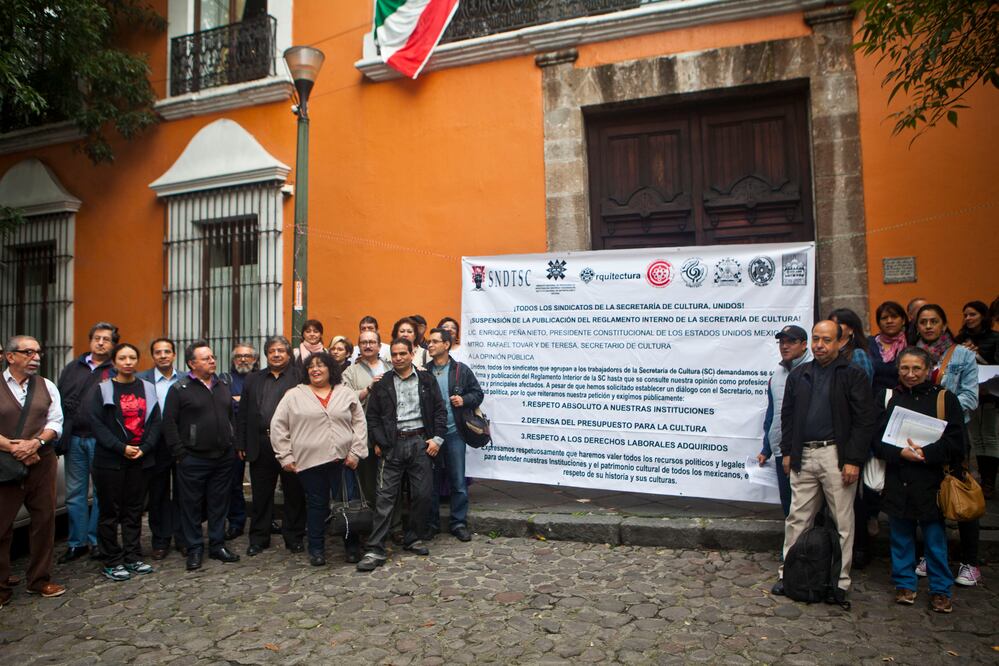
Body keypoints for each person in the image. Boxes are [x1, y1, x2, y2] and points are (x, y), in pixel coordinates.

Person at [771, 320, 875, 606]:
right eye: (816, 339)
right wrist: (788, 451)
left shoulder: (852, 374)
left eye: (826, 340)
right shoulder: (800, 374)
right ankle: (789, 575)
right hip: (804, 454)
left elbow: (864, 420)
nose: (819, 345)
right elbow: (787, 416)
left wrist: (853, 460)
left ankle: (839, 582)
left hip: (836, 456)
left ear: (839, 343)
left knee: (842, 521)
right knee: (797, 519)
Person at [874, 347, 964, 613]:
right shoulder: (892, 398)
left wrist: (926, 454)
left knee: (935, 540)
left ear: (928, 370)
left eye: (916, 369)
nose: (910, 374)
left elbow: (957, 443)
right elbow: (878, 441)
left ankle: (940, 590)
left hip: (931, 481)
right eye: (905, 369)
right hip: (899, 478)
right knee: (900, 537)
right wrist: (900, 452)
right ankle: (904, 584)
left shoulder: (945, 399)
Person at [356, 338, 447, 571]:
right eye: (394, 354)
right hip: (393, 445)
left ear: (411, 354)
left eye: (402, 354)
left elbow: (439, 410)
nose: (398, 358)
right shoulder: (383, 383)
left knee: (423, 495)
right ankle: (375, 548)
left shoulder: (426, 379)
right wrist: (380, 441)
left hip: (420, 444)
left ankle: (413, 538)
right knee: (385, 498)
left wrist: (436, 439)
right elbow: (373, 417)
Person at [270, 352, 368, 566]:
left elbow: (360, 423)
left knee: (347, 505)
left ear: (330, 368)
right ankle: (316, 549)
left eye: (320, 365)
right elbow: (278, 426)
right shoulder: (294, 395)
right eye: (311, 366)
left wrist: (356, 452)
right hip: (310, 463)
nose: (315, 369)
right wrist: (285, 456)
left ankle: (352, 547)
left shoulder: (345, 393)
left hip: (343, 462)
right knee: (316, 506)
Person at [914, 304, 982, 586]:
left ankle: (970, 561)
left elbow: (970, 396)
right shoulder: (912, 354)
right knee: (928, 494)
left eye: (934, 321)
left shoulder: (962, 354)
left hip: (953, 434)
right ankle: (932, 554)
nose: (928, 326)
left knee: (960, 491)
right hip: (921, 434)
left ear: (943, 324)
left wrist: (941, 411)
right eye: (923, 322)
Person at [163, 341, 240, 571]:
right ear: (191, 363)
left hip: (223, 456)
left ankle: (217, 544)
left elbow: (230, 416)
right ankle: (194, 547)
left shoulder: (222, 384)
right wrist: (180, 453)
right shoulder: (179, 389)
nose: (212, 361)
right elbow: (169, 423)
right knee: (191, 505)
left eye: (213, 357)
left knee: (218, 503)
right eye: (206, 358)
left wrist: (232, 442)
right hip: (193, 458)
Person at [0, 335, 66, 606]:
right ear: (10, 356)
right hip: (4, 463)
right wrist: (12, 447)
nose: (35, 357)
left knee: (44, 522)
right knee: (1, 526)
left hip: (42, 461)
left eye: (38, 352)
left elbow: (56, 420)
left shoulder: (46, 385)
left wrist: (36, 443)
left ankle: (39, 579)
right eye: (28, 352)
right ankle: (1, 585)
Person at [89, 343, 161, 581]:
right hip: (110, 461)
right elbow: (97, 425)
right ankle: (112, 559)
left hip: (140, 459)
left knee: (134, 511)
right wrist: (122, 448)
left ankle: (132, 556)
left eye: (132, 357)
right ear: (114, 361)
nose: (128, 362)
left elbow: (156, 423)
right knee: (109, 512)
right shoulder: (102, 389)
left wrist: (145, 448)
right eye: (123, 358)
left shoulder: (148, 388)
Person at [235, 336, 307, 557]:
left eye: (281, 351)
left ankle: (294, 536)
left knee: (294, 494)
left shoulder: (299, 377)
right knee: (261, 495)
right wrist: (241, 441)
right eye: (272, 351)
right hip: (261, 443)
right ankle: (259, 538)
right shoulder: (253, 379)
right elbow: (244, 413)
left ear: (288, 354)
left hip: (291, 444)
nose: (276, 354)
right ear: (266, 355)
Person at [56, 322, 118, 563]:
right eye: (97, 338)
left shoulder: (115, 370)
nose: (101, 342)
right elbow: (60, 398)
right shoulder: (73, 368)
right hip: (74, 439)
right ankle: (76, 542)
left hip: (101, 441)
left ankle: (96, 540)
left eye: (106, 339)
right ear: (90, 340)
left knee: (102, 493)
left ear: (113, 345)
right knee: (74, 493)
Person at [426, 328, 483, 542]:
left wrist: (464, 400)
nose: (429, 345)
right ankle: (431, 524)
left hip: (454, 433)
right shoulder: (424, 372)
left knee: (458, 481)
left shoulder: (461, 370)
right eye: (429, 342)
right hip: (431, 437)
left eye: (434, 342)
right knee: (431, 483)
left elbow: (478, 393)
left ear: (446, 345)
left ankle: (458, 523)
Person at [757, 325, 812, 518]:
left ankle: (814, 546)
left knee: (810, 505)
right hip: (781, 449)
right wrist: (766, 448)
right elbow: (773, 414)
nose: (785, 346)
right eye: (782, 342)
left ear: (804, 345)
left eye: (791, 342)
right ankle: (794, 546)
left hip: (808, 450)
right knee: (788, 503)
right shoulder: (777, 374)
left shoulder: (814, 370)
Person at [138, 338, 185, 560]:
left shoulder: (186, 378)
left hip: (182, 443)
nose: (163, 355)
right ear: (153, 356)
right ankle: (161, 539)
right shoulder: (141, 380)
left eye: (167, 351)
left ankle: (183, 537)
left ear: (174, 355)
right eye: (158, 352)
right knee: (158, 494)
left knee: (184, 492)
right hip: (154, 444)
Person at [955, 301, 999, 498]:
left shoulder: (994, 338)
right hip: (970, 395)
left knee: (990, 436)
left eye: (972, 314)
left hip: (990, 395)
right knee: (976, 438)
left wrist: (977, 356)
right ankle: (980, 477)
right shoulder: (961, 338)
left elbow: (995, 364)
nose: (968, 318)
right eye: (965, 315)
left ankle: (990, 481)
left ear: (983, 316)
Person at [343, 330, 390, 504]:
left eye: (372, 342)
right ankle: (368, 519)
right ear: (359, 346)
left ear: (379, 346)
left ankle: (392, 524)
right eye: (364, 342)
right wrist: (368, 389)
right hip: (362, 431)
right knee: (368, 478)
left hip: (389, 431)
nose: (368, 345)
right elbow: (344, 399)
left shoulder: (390, 367)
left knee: (390, 480)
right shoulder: (350, 371)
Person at [218, 343, 259, 540]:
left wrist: (239, 400)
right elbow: (224, 404)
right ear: (233, 360)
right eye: (239, 356)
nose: (243, 359)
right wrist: (244, 401)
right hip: (234, 437)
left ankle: (265, 519)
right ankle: (236, 521)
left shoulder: (261, 378)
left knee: (262, 482)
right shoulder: (224, 380)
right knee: (234, 482)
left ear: (255, 359)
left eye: (248, 356)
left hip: (259, 435)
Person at [869, 301, 910, 393]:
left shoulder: (910, 345)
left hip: (902, 400)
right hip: (874, 401)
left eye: (894, 317)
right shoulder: (868, 344)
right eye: (884, 318)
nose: (889, 321)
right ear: (879, 323)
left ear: (903, 320)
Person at [829, 308, 873, 381]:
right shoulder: (828, 352)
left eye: (838, 323)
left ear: (851, 330)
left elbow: (864, 385)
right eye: (831, 323)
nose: (834, 327)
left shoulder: (858, 354)